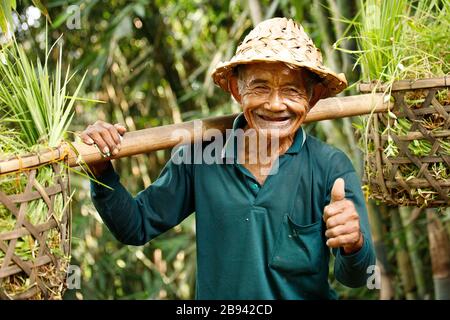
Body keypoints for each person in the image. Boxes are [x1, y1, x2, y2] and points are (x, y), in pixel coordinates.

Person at [81, 17, 376, 299]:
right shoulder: (199, 157)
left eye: (291, 90)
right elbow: (134, 226)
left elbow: (358, 277)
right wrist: (101, 170)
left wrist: (353, 243)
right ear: (237, 90)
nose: (275, 104)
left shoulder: (330, 167)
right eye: (260, 87)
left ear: (312, 98)